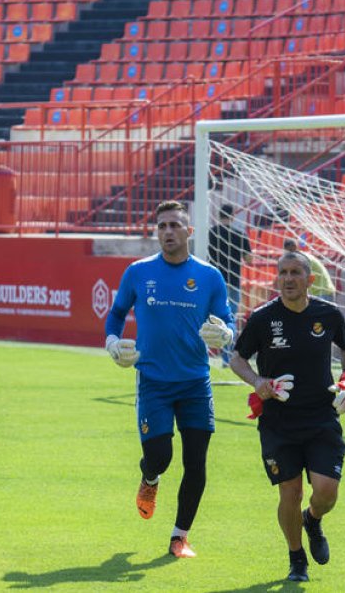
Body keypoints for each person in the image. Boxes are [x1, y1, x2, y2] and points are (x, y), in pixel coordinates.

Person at [104, 200, 235, 559]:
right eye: (161, 226)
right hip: (154, 383)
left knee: (196, 463)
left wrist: (224, 333)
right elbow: (115, 315)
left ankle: (180, 536)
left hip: (195, 382)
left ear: (189, 231)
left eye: (175, 225)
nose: (167, 232)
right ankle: (150, 479)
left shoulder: (209, 277)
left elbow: (228, 322)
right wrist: (112, 341)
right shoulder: (137, 272)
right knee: (160, 457)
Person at [229, 250, 345, 582]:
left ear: (309, 279)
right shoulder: (261, 318)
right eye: (282, 273)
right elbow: (237, 359)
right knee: (290, 490)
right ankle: (296, 557)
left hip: (321, 418)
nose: (287, 279)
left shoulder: (328, 315)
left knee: (327, 492)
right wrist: (258, 383)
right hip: (278, 421)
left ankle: (313, 519)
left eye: (295, 273)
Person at [207, 203, 253, 364]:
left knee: (211, 318)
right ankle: (227, 358)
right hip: (233, 282)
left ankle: (204, 353)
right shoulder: (239, 234)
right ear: (232, 216)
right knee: (229, 319)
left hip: (215, 282)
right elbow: (249, 259)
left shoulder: (211, 233)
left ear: (219, 215)